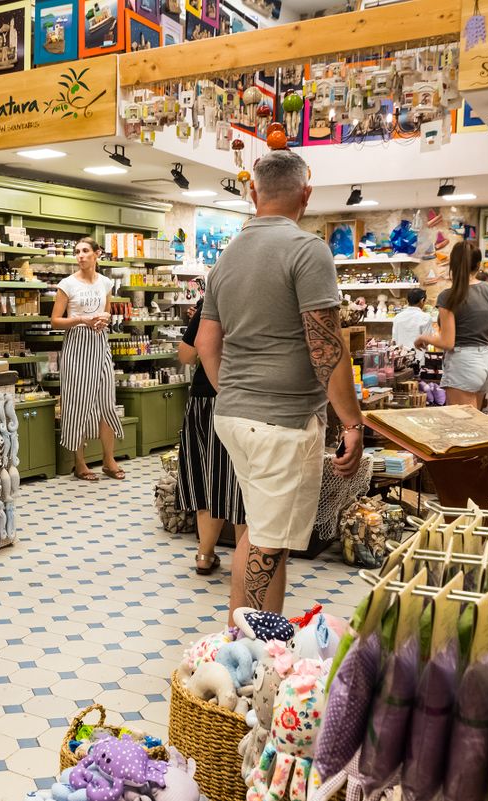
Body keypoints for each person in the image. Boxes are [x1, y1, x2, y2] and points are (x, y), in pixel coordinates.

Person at [196, 150, 364, 616]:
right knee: (267, 545)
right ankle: (241, 655)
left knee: (262, 535)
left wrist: (234, 391)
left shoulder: (227, 255)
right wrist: (351, 422)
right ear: (305, 194)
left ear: (254, 192)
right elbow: (326, 347)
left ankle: (263, 642)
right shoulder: (308, 249)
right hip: (282, 424)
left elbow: (208, 343)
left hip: (234, 416)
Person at [176, 298, 247, 576]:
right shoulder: (261, 296)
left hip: (203, 400)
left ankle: (204, 555)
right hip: (242, 399)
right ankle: (245, 561)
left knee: (207, 478)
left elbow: (185, 354)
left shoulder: (211, 301)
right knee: (241, 481)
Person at [51, 237, 125, 481]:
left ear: (97, 254)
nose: (80, 255)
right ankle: (79, 463)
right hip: (77, 347)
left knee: (106, 402)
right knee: (78, 404)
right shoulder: (67, 284)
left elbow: (106, 310)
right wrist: (82, 320)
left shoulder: (105, 282)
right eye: (77, 252)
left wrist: (103, 319)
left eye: (85, 251)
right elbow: (55, 320)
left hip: (100, 345)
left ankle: (108, 459)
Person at [415, 241, 488, 409]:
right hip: (487, 361)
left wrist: (423, 337)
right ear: (478, 265)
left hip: (463, 363)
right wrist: (485, 351)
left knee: (462, 427)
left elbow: (447, 342)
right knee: (476, 422)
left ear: (453, 265)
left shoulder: (449, 296)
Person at [391, 288, 432, 362]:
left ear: (408, 301)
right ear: (422, 300)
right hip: (418, 359)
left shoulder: (397, 317)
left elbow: (394, 340)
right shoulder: (426, 317)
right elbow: (426, 341)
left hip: (400, 359)